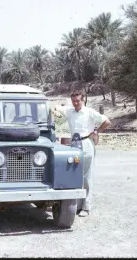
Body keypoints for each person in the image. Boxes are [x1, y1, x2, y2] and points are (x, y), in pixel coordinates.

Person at [53, 89, 111, 217]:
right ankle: (76, 206)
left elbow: (106, 121)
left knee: (86, 176)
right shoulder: (69, 111)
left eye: (78, 101)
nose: (75, 103)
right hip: (74, 144)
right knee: (74, 174)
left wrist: (96, 132)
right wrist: (52, 108)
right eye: (73, 101)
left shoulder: (89, 112)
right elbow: (56, 107)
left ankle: (86, 206)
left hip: (86, 143)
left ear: (83, 100)